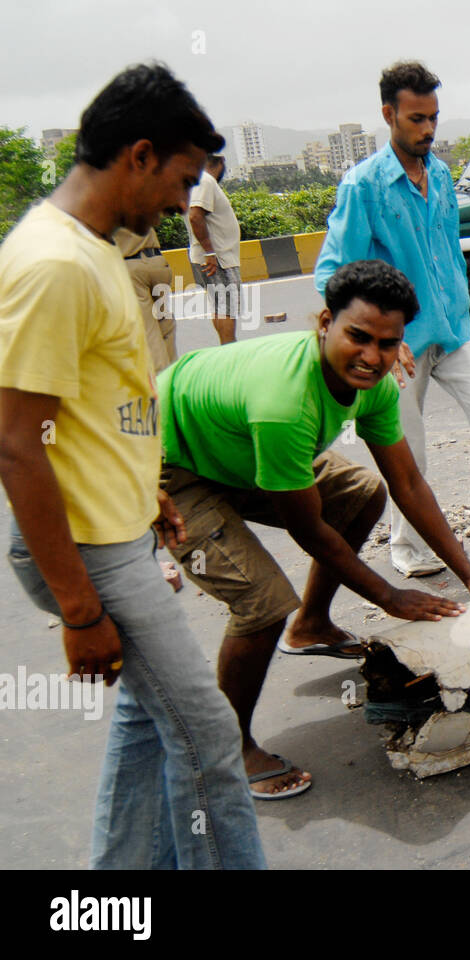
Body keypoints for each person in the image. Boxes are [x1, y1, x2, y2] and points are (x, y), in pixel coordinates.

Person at [0, 63, 264, 869]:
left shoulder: (95, 251)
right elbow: (16, 442)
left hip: (116, 533)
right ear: (139, 155)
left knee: (153, 721)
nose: (179, 203)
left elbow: (94, 406)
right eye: (181, 180)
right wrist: (81, 614)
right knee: (210, 738)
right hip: (90, 555)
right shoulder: (53, 265)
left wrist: (143, 486)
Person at [158, 258, 470, 798]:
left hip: (236, 445)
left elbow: (407, 482)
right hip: (170, 464)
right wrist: (388, 595)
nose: (371, 357)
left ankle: (311, 627)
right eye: (357, 337)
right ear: (323, 324)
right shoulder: (284, 402)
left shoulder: (376, 386)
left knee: (365, 493)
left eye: (388, 344)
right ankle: (225, 748)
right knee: (263, 602)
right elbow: (307, 528)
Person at [316, 61, 470, 579]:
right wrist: (372, 343)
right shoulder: (363, 186)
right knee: (409, 453)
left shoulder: (440, 175)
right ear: (389, 115)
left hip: (452, 332)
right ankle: (410, 549)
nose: (428, 129)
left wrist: (459, 306)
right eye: (416, 119)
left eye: (433, 117)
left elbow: (446, 250)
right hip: (397, 347)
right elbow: (333, 272)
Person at [185, 153, 241, 345]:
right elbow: (195, 216)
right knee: (226, 306)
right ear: (221, 161)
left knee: (221, 305)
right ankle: (229, 350)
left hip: (214, 256)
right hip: (218, 258)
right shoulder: (205, 180)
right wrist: (210, 252)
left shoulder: (197, 180)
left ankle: (226, 348)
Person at [113, 225, 177, 371]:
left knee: (149, 332)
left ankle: (161, 382)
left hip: (132, 266)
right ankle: (175, 375)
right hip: (158, 262)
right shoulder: (141, 201)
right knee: (165, 325)